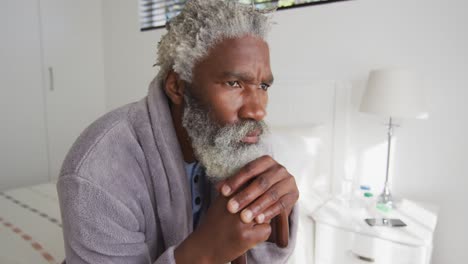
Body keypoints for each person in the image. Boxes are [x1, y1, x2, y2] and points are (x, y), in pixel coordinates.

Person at [57, 0, 299, 263]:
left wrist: (275, 216)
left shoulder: (247, 143)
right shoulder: (96, 172)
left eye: (263, 87)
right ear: (177, 86)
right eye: (234, 83)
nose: (257, 111)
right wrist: (204, 252)